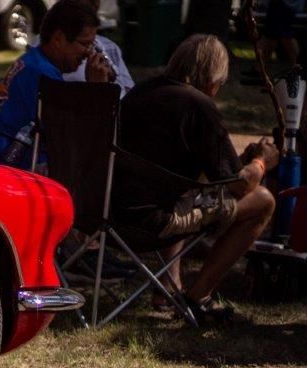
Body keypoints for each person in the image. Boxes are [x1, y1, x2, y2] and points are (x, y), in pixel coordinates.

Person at [111, 34, 279, 324]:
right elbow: (238, 186)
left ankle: (167, 286)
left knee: (185, 190)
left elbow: (203, 173)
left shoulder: (141, 92)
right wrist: (261, 161)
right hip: (153, 223)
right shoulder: (197, 105)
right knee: (262, 201)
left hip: (108, 215)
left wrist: (236, 164)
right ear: (213, 79)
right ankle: (197, 298)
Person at [0, 0, 111, 168]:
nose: (89, 53)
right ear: (59, 39)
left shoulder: (34, 61)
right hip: (7, 168)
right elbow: (74, 140)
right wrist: (97, 91)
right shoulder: (43, 76)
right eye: (85, 44)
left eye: (92, 45)